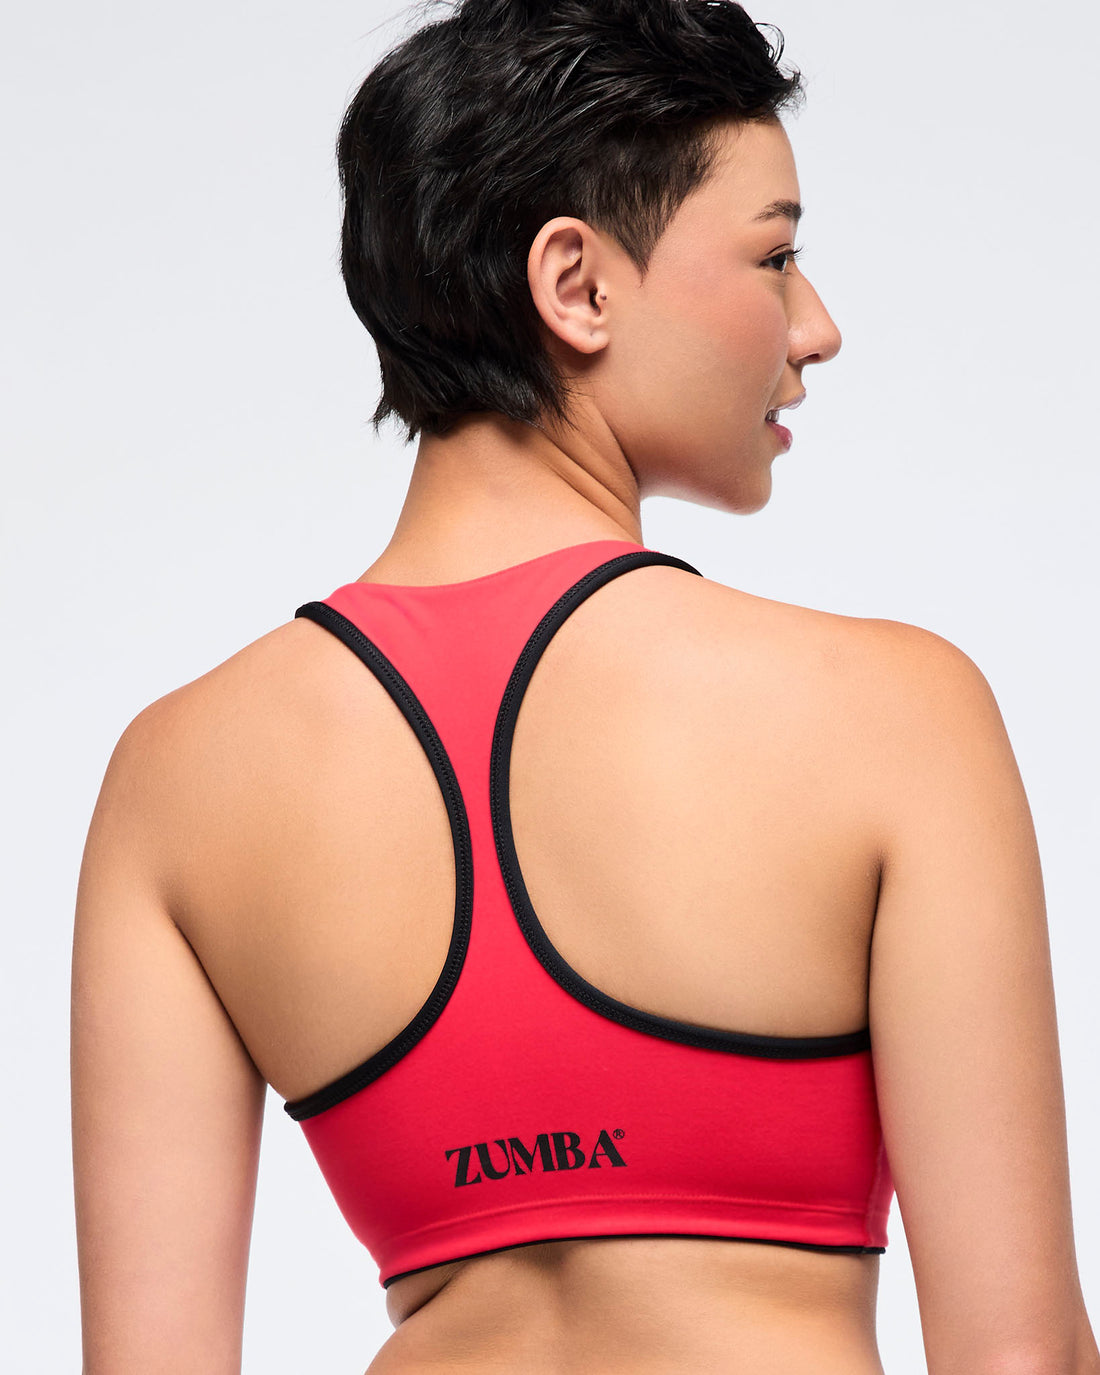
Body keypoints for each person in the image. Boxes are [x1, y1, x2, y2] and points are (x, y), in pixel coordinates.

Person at [70, 1, 1100, 1371]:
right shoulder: (896, 717)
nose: (817, 326)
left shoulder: (176, 782)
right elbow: (1020, 1356)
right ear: (578, 285)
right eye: (777, 255)